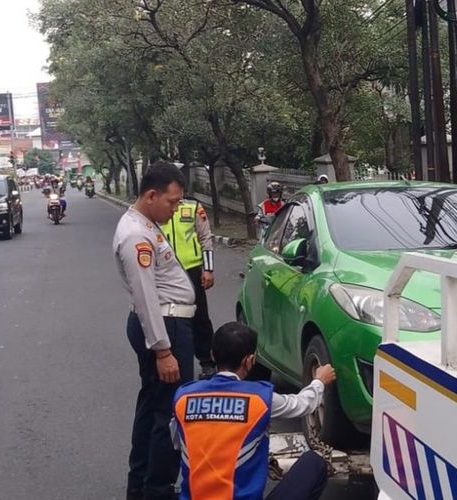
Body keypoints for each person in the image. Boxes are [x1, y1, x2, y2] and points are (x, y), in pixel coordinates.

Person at [172, 322, 335, 500]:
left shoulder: (183, 397)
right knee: (314, 463)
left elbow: (177, 441)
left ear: (212, 355)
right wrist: (319, 381)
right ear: (249, 360)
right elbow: (303, 404)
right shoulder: (260, 398)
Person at [112, 161, 197, 500]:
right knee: (170, 415)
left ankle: (142, 485)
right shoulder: (136, 235)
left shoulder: (145, 223)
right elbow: (146, 295)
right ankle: (158, 490)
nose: (176, 209)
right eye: (172, 202)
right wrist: (163, 350)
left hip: (167, 322)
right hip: (167, 326)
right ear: (151, 195)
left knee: (152, 407)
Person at [159, 197, 217, 379]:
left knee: (199, 318)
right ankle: (174, 360)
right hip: (165, 272)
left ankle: (207, 361)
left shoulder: (193, 207)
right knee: (169, 317)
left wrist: (207, 269)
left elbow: (205, 237)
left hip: (192, 271)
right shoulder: (158, 207)